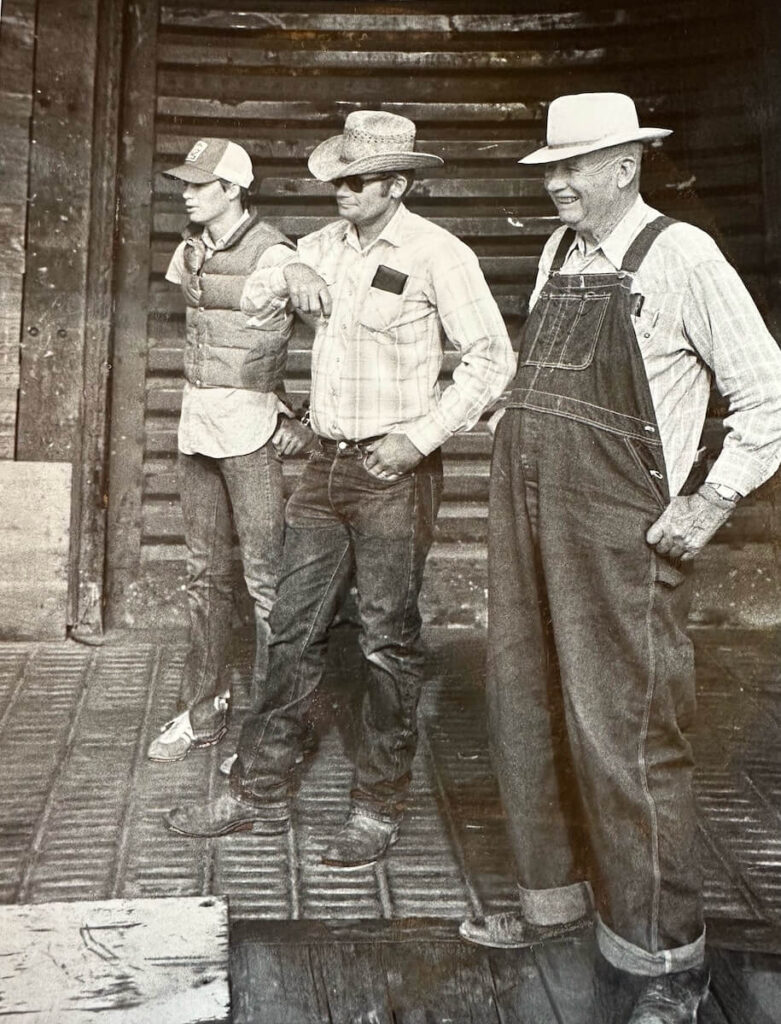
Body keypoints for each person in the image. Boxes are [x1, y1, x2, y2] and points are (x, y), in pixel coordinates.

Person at [458, 93, 781, 1022]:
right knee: (523, 701)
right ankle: (554, 905)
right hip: (528, 513)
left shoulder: (680, 256)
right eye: (549, 168)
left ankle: (663, 967)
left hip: (617, 529)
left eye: (575, 165)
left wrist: (711, 498)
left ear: (627, 164)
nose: (556, 182)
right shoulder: (562, 253)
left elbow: (766, 394)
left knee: (627, 735)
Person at [163, 110, 516, 868]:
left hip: (394, 473)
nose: (340, 192)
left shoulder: (436, 254)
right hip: (322, 468)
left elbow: (490, 359)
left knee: (387, 641)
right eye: (336, 179)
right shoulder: (317, 248)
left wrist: (417, 437)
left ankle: (376, 807)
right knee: (293, 628)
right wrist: (287, 282)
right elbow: (245, 308)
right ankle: (258, 793)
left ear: (396, 183)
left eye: (356, 181)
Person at [147, 138, 312, 764]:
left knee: (266, 582)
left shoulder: (276, 256)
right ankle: (203, 710)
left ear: (232, 189)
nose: (186, 193)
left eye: (198, 184)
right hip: (197, 430)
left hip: (248, 432)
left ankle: (271, 731)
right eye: (185, 183)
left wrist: (305, 417)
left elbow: (335, 336)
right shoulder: (189, 250)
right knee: (205, 578)